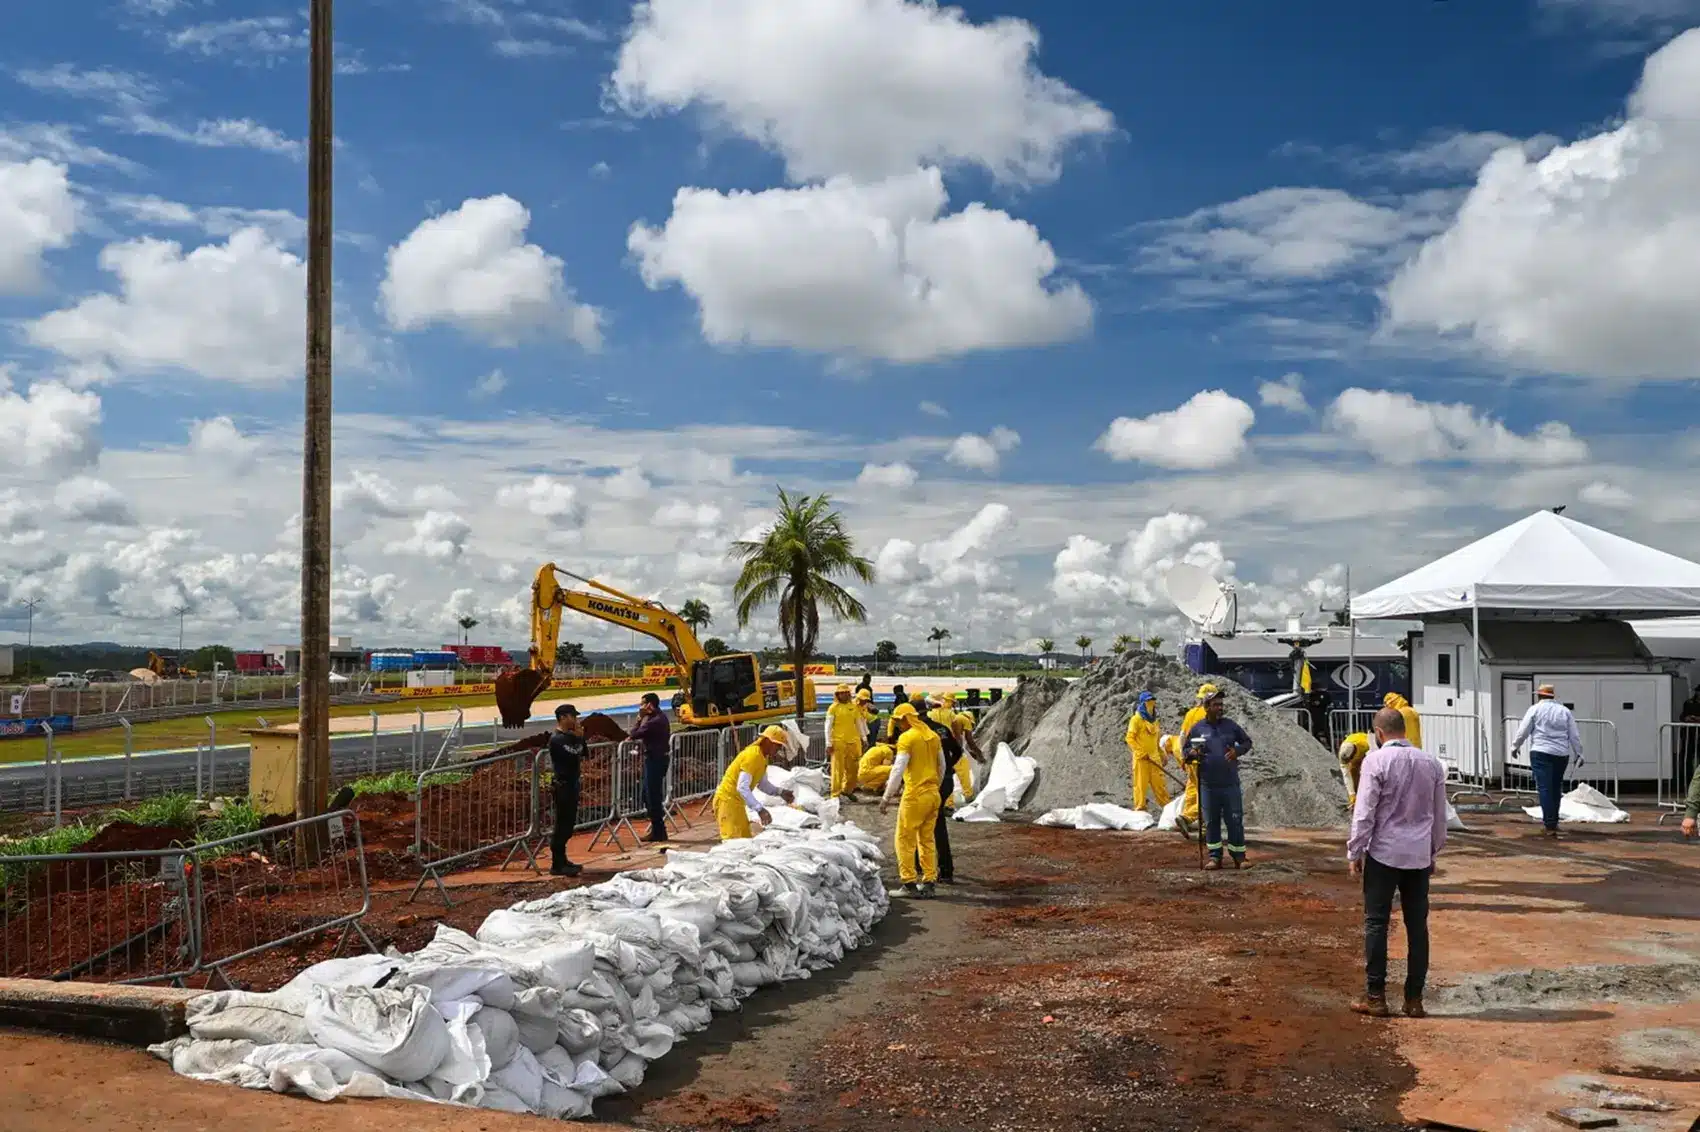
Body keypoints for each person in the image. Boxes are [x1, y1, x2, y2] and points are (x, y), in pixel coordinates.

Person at [1346, 706, 1448, 1019]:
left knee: (1376, 922)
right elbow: (1439, 816)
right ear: (1404, 729)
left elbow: (1365, 812)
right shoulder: (1431, 763)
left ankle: (1376, 996)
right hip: (1417, 856)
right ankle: (1414, 999)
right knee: (1417, 927)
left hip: (1384, 853)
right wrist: (1432, 852)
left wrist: (1355, 851)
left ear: (1379, 733)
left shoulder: (1375, 761)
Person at [1181, 689, 1253, 870]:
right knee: (1211, 822)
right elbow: (1185, 752)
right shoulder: (1198, 728)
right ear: (1206, 707)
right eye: (1216, 705)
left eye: (1221, 704)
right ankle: (1215, 857)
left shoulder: (1231, 726)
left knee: (1234, 820)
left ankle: (1239, 857)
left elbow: (1247, 742)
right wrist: (1192, 753)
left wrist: (1237, 751)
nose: (1220, 708)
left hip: (1230, 784)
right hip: (1208, 785)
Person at [880, 703, 946, 898]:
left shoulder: (907, 738)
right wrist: (935, 786)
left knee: (904, 839)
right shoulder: (933, 736)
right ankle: (929, 881)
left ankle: (908, 883)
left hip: (915, 796)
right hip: (933, 794)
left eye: (899, 721)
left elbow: (898, 769)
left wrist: (886, 797)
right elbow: (942, 766)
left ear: (906, 719)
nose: (898, 725)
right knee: (927, 840)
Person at [1510, 685, 1584, 838]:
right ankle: (1553, 822)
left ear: (1539, 696)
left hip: (1541, 752)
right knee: (1556, 788)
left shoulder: (1534, 709)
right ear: (1552, 696)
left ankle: (1549, 824)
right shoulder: (1564, 711)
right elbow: (1574, 735)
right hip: (1561, 754)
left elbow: (1523, 730)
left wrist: (1515, 746)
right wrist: (1579, 753)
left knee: (1544, 788)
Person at [713, 724, 794, 840]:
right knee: (732, 843)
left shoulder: (762, 758)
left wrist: (780, 792)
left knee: (744, 840)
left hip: (736, 803)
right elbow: (742, 787)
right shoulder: (753, 755)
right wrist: (760, 809)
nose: (778, 749)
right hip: (727, 801)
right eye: (777, 745)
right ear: (767, 741)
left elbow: (763, 784)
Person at [547, 704, 587, 877]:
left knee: (568, 824)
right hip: (562, 785)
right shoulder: (557, 739)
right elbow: (572, 754)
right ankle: (557, 863)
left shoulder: (571, 737)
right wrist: (578, 738)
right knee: (562, 825)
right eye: (572, 716)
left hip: (572, 784)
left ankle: (563, 860)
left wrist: (580, 737)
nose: (576, 720)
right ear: (563, 717)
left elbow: (584, 753)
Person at [1174, 683, 1217, 837]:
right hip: (1204, 761)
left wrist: (1183, 757)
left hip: (1190, 759)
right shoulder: (1210, 715)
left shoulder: (1190, 714)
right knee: (1208, 793)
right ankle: (1193, 820)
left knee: (1192, 789)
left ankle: (1185, 818)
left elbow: (1182, 737)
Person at [629, 691, 672, 844]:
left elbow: (634, 733)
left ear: (649, 705)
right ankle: (657, 829)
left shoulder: (655, 721)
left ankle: (659, 832)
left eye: (642, 704)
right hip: (654, 759)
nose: (640, 707)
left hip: (656, 760)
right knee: (647, 795)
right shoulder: (656, 718)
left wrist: (639, 718)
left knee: (652, 797)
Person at [1125, 691, 1170, 811]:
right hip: (1142, 760)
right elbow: (1129, 738)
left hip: (1154, 759)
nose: (1151, 704)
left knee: (1160, 786)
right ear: (1142, 703)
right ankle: (1140, 809)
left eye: (1152, 701)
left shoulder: (1155, 721)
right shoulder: (1136, 720)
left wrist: (1162, 754)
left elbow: (1156, 741)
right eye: (1148, 701)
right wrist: (1140, 752)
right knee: (1141, 786)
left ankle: (1168, 810)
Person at [825, 684, 864, 801]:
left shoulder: (854, 707)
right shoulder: (833, 708)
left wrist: (864, 738)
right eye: (842, 693)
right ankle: (835, 795)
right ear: (838, 695)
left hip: (853, 742)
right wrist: (828, 743)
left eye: (846, 692)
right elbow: (828, 726)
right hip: (838, 743)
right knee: (838, 770)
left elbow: (859, 723)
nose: (845, 695)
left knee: (854, 769)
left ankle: (847, 790)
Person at [1339, 731, 1373, 806]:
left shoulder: (1365, 743)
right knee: (1353, 772)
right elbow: (1346, 774)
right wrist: (1352, 794)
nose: (1348, 762)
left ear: (1354, 754)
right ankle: (1358, 798)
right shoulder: (1343, 753)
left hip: (1369, 751)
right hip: (1359, 753)